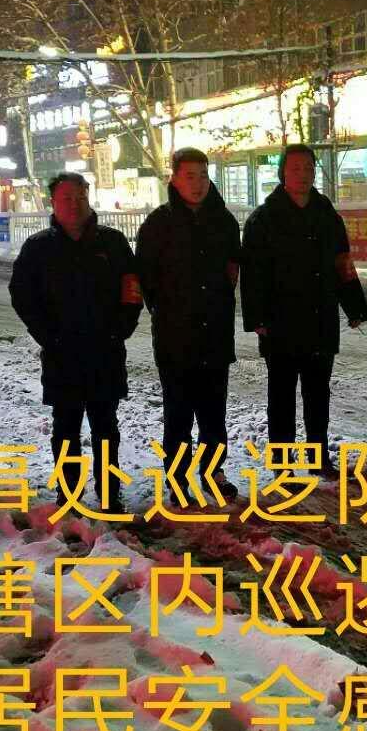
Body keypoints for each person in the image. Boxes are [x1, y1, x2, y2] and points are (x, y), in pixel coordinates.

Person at [9, 173, 142, 514]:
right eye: (66, 198)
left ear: (88, 198)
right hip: (61, 353)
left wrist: (121, 328)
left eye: (80, 197)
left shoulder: (112, 243)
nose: (74, 204)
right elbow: (22, 295)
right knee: (65, 427)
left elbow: (132, 288)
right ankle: (68, 494)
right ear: (53, 202)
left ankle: (110, 494)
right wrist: (47, 335)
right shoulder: (39, 248)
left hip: (105, 351)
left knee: (106, 427)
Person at [241, 143, 367, 479]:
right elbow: (252, 274)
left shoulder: (327, 215)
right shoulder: (263, 219)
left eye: (309, 168)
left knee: (318, 394)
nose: (303, 175)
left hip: (320, 318)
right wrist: (257, 318)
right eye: (295, 168)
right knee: (281, 397)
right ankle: (282, 464)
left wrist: (354, 306)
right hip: (279, 322)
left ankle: (317, 457)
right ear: (282, 173)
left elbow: (343, 263)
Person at [136, 148, 242, 504]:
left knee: (214, 410)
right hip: (175, 335)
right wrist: (167, 311)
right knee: (178, 411)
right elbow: (146, 278)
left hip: (215, 332)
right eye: (189, 176)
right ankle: (177, 477)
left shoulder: (224, 221)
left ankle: (214, 472)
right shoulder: (158, 224)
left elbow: (232, 269)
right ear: (175, 179)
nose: (198, 184)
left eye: (203, 175)